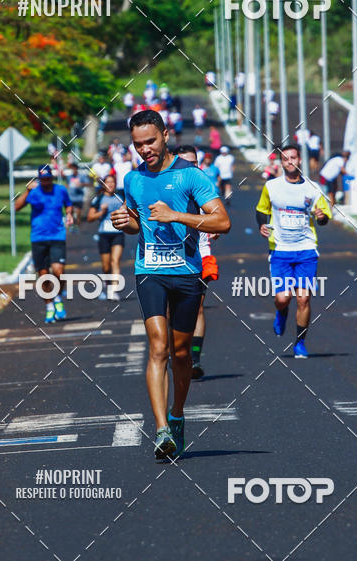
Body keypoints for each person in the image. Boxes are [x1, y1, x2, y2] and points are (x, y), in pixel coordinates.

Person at [111, 110, 231, 461]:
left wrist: (177, 215)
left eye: (150, 141)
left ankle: (177, 413)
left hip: (186, 272)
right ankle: (161, 428)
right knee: (158, 347)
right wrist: (125, 222)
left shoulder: (191, 176)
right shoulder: (133, 179)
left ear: (164, 135)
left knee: (181, 353)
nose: (144, 149)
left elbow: (222, 222)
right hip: (149, 270)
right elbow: (137, 223)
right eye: (137, 145)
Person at [255, 144, 331, 358]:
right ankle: (281, 312)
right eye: (285, 158)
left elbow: (324, 217)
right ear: (281, 162)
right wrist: (262, 224)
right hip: (280, 250)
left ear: (299, 160)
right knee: (283, 298)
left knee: (303, 299)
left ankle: (299, 343)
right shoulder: (272, 187)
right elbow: (262, 210)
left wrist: (321, 216)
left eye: (293, 158)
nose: (290, 162)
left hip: (306, 249)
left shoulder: (312, 188)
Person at [176, 145, 221, 380]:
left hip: (201, 256)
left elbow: (218, 218)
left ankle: (194, 358)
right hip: (170, 259)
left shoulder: (204, 187)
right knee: (171, 312)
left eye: (194, 163)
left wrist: (215, 230)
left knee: (197, 307)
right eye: (185, 163)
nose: (190, 167)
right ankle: (176, 354)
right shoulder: (167, 188)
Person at [15, 165, 73, 323]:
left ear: (52, 177)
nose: (46, 182)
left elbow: (68, 204)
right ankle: (49, 307)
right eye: (43, 179)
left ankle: (58, 297)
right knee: (44, 276)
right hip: (38, 237)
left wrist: (69, 214)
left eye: (48, 178)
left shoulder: (60, 190)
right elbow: (16, 207)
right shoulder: (33, 192)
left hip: (57, 235)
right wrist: (27, 191)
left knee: (58, 272)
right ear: (39, 179)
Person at [87, 174, 125, 301]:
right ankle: (108, 284)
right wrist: (101, 213)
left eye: (112, 182)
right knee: (106, 265)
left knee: (115, 261)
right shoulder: (99, 199)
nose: (110, 185)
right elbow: (89, 218)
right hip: (104, 234)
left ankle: (114, 290)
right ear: (103, 184)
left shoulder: (121, 197)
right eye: (108, 182)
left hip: (118, 234)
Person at [67, 162, 90, 228]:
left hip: (79, 196)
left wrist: (81, 184)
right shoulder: (69, 177)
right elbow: (68, 184)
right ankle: (72, 223)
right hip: (71, 196)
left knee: (78, 210)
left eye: (74, 169)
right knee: (70, 210)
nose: (73, 170)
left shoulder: (81, 176)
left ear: (77, 169)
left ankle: (78, 223)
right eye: (72, 169)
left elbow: (88, 183)